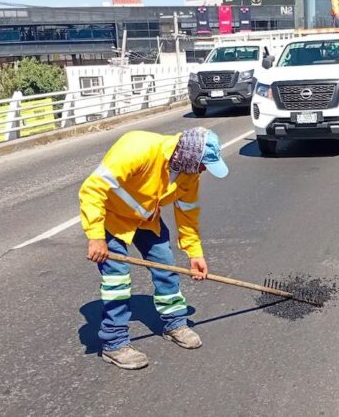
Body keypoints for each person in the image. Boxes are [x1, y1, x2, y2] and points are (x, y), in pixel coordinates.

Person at [79, 127, 228, 370]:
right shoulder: (136, 148)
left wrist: (195, 253)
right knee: (117, 282)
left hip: (147, 220)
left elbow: (188, 214)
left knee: (166, 268)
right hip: (112, 220)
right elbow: (92, 189)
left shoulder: (187, 173)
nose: (203, 170)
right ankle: (114, 343)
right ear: (188, 156)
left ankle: (174, 323)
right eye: (202, 164)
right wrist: (96, 237)